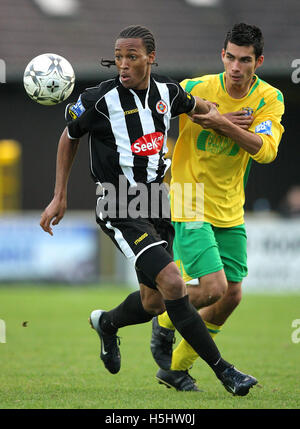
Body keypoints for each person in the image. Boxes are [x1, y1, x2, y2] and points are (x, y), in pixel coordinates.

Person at [40, 24, 257, 396]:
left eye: (132, 57)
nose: (123, 64)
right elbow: (69, 136)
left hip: (157, 200)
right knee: (173, 281)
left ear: (150, 58)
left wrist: (223, 119)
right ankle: (226, 372)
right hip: (118, 202)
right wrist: (59, 195)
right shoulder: (98, 99)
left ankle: (107, 323)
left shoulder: (167, 93)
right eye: (119, 57)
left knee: (154, 302)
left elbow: (198, 107)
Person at [150, 23, 285, 391]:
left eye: (245, 60)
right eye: (230, 57)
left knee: (232, 295)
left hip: (230, 204)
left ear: (259, 61)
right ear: (222, 55)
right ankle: (163, 321)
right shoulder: (195, 89)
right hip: (188, 196)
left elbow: (266, 150)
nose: (236, 67)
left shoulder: (270, 99)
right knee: (212, 288)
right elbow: (154, 117)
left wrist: (220, 124)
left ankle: (175, 368)